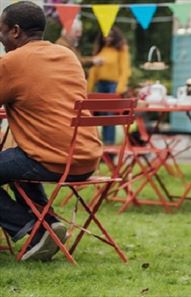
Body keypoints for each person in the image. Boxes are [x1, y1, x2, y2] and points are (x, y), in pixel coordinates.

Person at [0, 1, 102, 260]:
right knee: (17, 162)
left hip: (51, 159)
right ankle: (49, 226)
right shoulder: (67, 56)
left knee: (19, 159)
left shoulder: (12, 61)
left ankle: (34, 230)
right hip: (86, 157)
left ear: (15, 31)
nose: (0, 39)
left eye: (1, 31)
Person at [87, 27, 131, 144]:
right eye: (105, 36)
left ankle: (109, 144)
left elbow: (124, 69)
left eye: (110, 36)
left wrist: (120, 88)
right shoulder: (100, 49)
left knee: (110, 116)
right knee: (101, 116)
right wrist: (88, 89)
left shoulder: (121, 49)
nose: (108, 38)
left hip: (113, 86)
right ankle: (102, 145)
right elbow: (93, 71)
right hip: (101, 85)